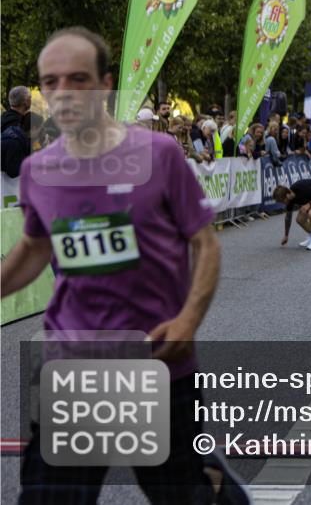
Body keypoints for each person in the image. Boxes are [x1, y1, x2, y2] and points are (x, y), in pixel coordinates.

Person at [1, 26, 248, 504]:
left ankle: (211, 484)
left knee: (178, 495)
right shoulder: (38, 170)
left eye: (78, 78)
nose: (63, 92)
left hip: (156, 360)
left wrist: (188, 321)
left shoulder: (158, 154)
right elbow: (34, 248)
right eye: (51, 82)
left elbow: (205, 242)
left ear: (105, 83)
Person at [274, 178, 311, 251]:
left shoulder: (302, 188)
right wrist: (286, 235)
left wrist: (309, 204)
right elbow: (288, 217)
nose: (283, 203)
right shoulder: (290, 199)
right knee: (299, 219)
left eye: (282, 201)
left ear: (287, 195)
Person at [1, 85, 33, 178]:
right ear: (25, 101)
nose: (31, 100)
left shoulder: (4, 118)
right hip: (10, 183)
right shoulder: (17, 124)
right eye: (30, 98)